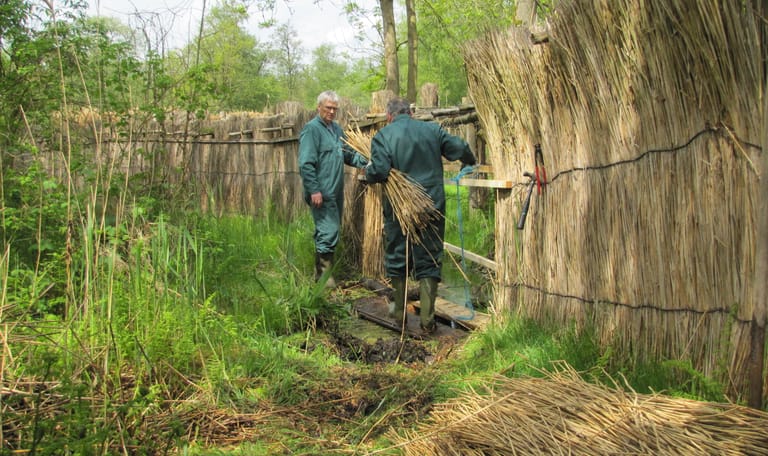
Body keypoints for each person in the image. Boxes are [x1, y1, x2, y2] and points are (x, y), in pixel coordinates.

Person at [365, 97, 476, 334]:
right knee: (429, 259)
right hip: (430, 206)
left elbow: (380, 170)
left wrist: (369, 172)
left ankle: (398, 316)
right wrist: (470, 160)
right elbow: (461, 148)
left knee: (397, 258)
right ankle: (427, 322)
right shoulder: (432, 130)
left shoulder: (383, 136)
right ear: (411, 113)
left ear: (389, 116)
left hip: (398, 209)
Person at [299, 90, 368, 288]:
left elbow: (348, 154)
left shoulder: (336, 130)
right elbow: (306, 164)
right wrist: (314, 190)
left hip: (335, 191)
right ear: (319, 107)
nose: (331, 112)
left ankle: (322, 278)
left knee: (330, 231)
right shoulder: (312, 130)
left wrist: (365, 161)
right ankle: (323, 281)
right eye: (328, 108)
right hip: (321, 192)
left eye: (334, 109)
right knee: (328, 231)